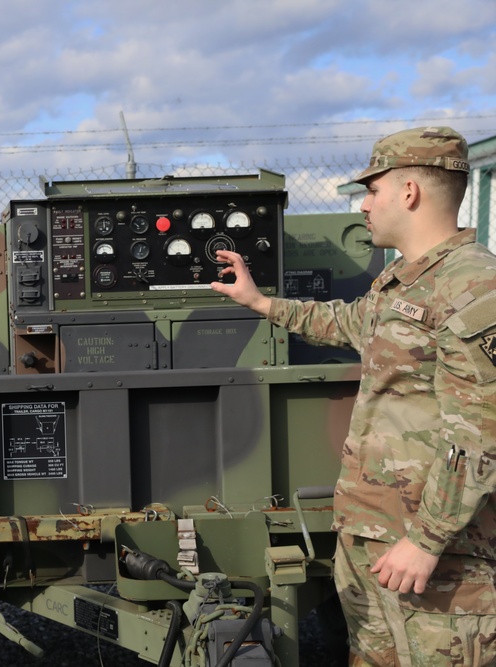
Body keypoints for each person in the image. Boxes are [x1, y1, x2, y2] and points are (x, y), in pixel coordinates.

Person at [211, 127, 496, 665]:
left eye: (373, 189)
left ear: (409, 192)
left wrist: (428, 540)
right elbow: (348, 323)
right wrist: (260, 302)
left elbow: (481, 432)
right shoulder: (404, 279)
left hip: (434, 554)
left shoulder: (474, 287)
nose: (364, 205)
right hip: (374, 535)